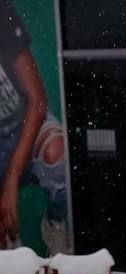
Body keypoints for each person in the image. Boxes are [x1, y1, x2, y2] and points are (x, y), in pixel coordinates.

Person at [0, 0, 67, 254]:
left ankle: (56, 224)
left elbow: (37, 101)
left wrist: (11, 180)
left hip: (25, 123)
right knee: (7, 257)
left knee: (56, 151)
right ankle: (11, 264)